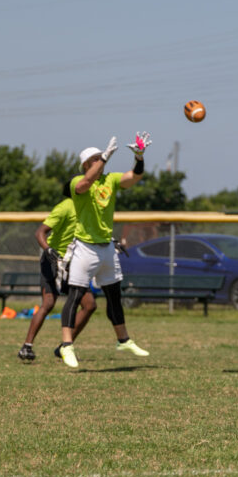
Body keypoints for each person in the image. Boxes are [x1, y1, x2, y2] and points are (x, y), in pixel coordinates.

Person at [56, 133, 152, 369]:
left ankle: (123, 339)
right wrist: (106, 157)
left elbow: (133, 177)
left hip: (106, 246)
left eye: (102, 157)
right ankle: (67, 345)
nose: (101, 160)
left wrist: (139, 157)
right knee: (76, 295)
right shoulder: (76, 181)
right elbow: (84, 184)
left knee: (114, 295)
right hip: (84, 247)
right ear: (87, 164)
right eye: (96, 158)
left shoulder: (110, 180)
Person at [17, 182, 96, 362]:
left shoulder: (89, 208)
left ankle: (64, 347)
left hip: (74, 263)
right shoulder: (64, 207)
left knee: (90, 305)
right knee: (49, 303)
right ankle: (26, 346)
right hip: (53, 260)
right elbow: (40, 232)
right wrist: (48, 250)